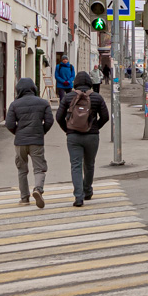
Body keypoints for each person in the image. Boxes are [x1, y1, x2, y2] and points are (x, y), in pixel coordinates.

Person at [58, 70, 110, 207]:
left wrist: (68, 130)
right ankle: (87, 191)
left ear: (75, 83)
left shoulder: (68, 97)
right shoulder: (97, 97)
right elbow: (105, 117)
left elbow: (58, 117)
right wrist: (95, 127)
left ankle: (78, 197)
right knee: (89, 164)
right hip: (92, 136)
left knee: (76, 165)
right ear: (89, 82)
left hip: (73, 136)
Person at [5, 76, 54, 207]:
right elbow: (50, 121)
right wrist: (41, 131)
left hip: (20, 142)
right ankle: (38, 189)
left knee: (22, 170)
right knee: (39, 169)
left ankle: (24, 198)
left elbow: (9, 123)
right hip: (36, 141)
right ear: (34, 88)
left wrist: (18, 132)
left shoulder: (14, 104)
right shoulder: (43, 103)